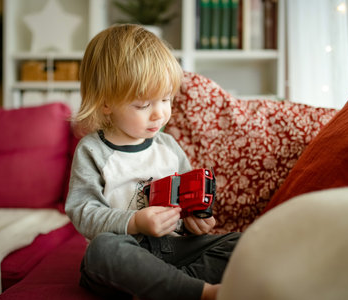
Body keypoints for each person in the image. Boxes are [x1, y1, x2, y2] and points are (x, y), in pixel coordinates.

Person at [65, 24, 240, 300]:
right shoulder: (93, 151)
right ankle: (198, 292)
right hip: (126, 251)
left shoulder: (168, 147)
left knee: (242, 244)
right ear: (107, 102)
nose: (159, 114)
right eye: (143, 105)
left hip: (173, 250)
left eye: (166, 99)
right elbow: (82, 212)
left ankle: (167, 287)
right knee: (102, 251)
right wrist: (134, 221)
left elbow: (185, 202)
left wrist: (194, 220)